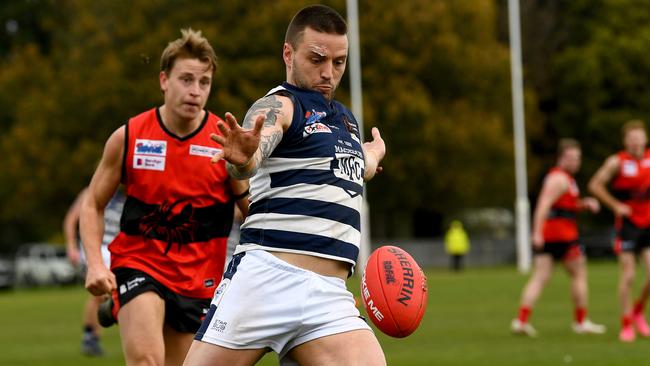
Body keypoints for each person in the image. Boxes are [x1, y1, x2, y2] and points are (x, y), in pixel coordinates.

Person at [183, 5, 386, 366]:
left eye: (339, 62)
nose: (328, 73)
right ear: (288, 53)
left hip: (328, 295)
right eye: (317, 59)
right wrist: (244, 157)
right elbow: (253, 155)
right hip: (265, 279)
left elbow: (347, 170)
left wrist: (368, 159)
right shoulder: (280, 104)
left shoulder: (346, 121)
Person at [79, 28, 250, 365]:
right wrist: (96, 264)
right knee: (146, 360)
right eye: (186, 80)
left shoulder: (224, 142)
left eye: (204, 83)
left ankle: (118, 308)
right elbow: (92, 203)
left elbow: (255, 214)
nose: (195, 91)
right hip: (139, 264)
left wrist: (243, 169)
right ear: (163, 80)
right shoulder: (129, 136)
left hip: (199, 281)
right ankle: (125, 301)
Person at [511, 139, 606, 337]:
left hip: (550, 235)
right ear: (560, 158)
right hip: (563, 236)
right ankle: (581, 321)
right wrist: (536, 232)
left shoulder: (564, 180)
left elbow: (562, 206)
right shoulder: (559, 179)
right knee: (579, 274)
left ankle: (521, 320)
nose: (575, 161)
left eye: (577, 158)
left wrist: (583, 204)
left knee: (540, 277)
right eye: (570, 157)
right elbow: (544, 205)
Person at [588, 120, 650, 342]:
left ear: (645, 139)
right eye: (630, 138)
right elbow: (594, 185)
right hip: (628, 226)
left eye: (638, 137)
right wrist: (615, 206)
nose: (635, 142)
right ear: (625, 141)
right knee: (629, 274)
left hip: (648, 224)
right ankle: (626, 323)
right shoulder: (617, 162)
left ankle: (638, 311)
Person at [64, 187, 125, 356]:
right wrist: (71, 246)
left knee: (111, 294)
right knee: (100, 292)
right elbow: (71, 219)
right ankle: (90, 336)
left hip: (115, 249)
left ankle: (94, 337)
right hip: (97, 247)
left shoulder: (123, 195)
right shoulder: (91, 191)